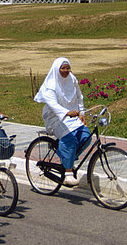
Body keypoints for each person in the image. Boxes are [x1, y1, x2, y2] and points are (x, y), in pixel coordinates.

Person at [34, 57, 91, 187]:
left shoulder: (72, 79)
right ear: (56, 69)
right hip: (54, 117)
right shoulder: (51, 85)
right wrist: (66, 112)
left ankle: (67, 158)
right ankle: (68, 173)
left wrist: (81, 112)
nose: (66, 71)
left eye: (67, 68)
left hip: (71, 116)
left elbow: (79, 96)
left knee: (86, 136)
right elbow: (52, 104)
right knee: (70, 140)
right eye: (63, 68)